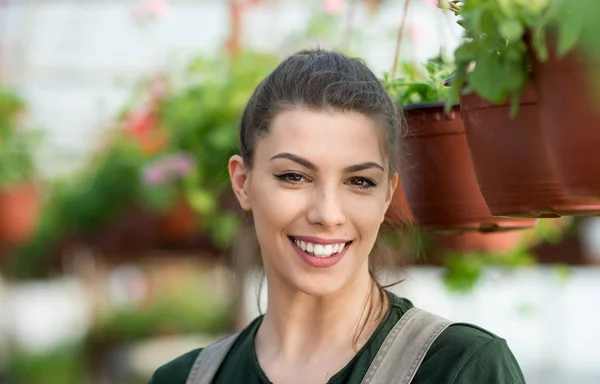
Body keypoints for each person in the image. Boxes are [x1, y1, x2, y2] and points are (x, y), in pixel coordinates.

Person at [148, 50, 526, 384]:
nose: (328, 214)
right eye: (294, 176)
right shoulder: (183, 379)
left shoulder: (460, 369)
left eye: (359, 181)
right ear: (243, 182)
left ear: (387, 196)